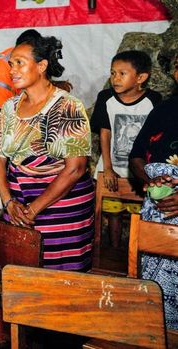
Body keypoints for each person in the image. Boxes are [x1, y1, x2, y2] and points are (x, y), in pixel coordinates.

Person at [0, 34, 95, 271]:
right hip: (17, 203)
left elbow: (75, 168)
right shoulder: (10, 106)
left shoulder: (66, 106)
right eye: (10, 64)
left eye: (19, 62)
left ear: (41, 66)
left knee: (58, 277)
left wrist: (33, 210)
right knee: (20, 272)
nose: (12, 70)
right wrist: (8, 202)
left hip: (61, 206)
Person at [90, 50, 161, 248]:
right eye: (113, 73)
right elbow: (105, 134)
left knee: (139, 215)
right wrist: (108, 168)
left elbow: (156, 137)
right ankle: (114, 252)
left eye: (122, 73)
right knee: (113, 213)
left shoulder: (153, 100)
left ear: (141, 78)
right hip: (113, 170)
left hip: (140, 173)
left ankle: (134, 256)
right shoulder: (105, 98)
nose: (115, 79)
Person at [129, 55, 178, 330]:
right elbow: (136, 157)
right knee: (153, 297)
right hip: (158, 207)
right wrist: (148, 178)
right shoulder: (163, 110)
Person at [0, 29, 41, 211]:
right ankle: (5, 197)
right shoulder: (20, 58)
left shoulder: (6, 53)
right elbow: (27, 89)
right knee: (9, 152)